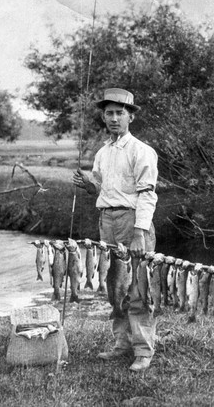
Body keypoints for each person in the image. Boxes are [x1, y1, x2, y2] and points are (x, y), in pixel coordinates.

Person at [73, 87, 158, 372]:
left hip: (132, 222)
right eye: (108, 113)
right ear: (103, 116)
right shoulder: (102, 152)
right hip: (105, 222)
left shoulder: (142, 151)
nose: (113, 118)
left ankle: (143, 350)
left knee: (138, 289)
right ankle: (121, 343)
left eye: (120, 113)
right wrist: (88, 186)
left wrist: (139, 233)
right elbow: (100, 186)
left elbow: (147, 194)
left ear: (130, 117)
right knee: (114, 287)